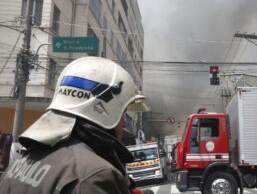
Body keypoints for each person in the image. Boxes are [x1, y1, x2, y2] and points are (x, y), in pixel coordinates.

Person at [0, 57, 150, 194]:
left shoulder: (20, 162)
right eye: (122, 113)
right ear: (103, 110)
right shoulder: (95, 176)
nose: (123, 123)